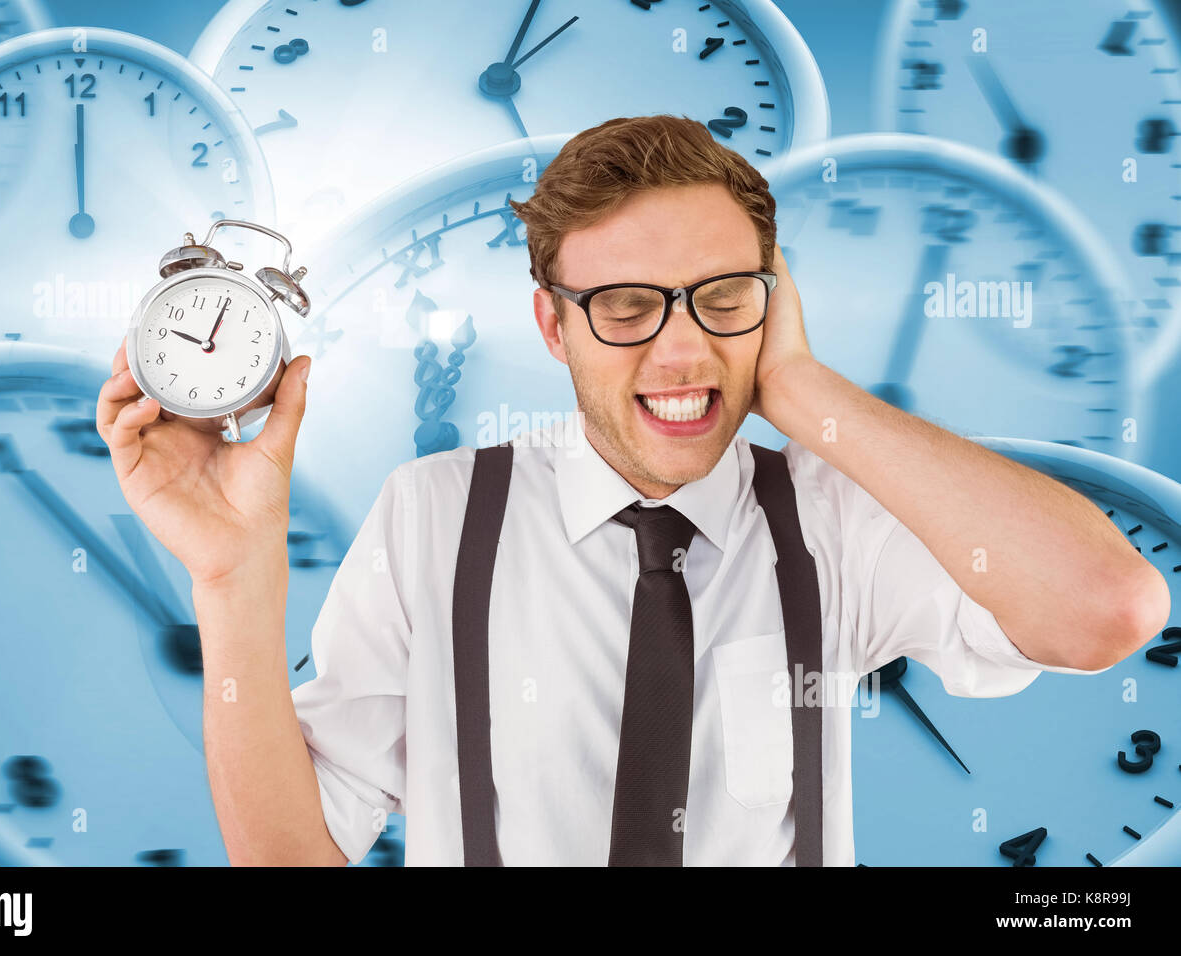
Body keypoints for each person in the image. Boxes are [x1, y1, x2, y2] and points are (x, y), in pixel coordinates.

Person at [96, 114, 1170, 866]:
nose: (679, 351)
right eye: (624, 306)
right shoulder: (434, 515)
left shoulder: (829, 515)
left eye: (719, 298)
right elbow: (294, 856)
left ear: (774, 299)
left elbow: (1106, 608)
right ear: (551, 324)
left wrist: (801, 390)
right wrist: (234, 576)